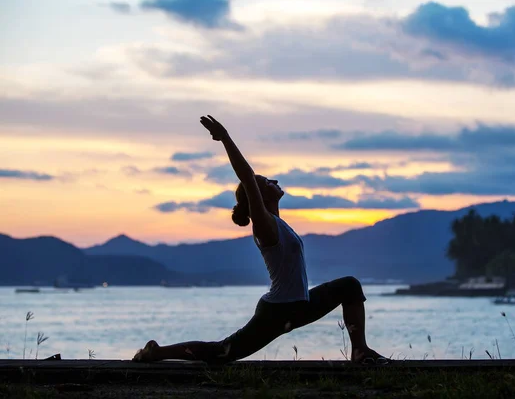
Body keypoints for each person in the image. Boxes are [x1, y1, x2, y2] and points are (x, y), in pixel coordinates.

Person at [133, 115, 387, 364]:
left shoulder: (279, 223)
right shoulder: (264, 227)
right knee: (222, 352)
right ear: (259, 196)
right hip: (278, 311)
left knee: (350, 286)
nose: (275, 181)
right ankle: (157, 352)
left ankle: (360, 351)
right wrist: (225, 139)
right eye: (267, 182)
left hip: (299, 305)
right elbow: (246, 176)